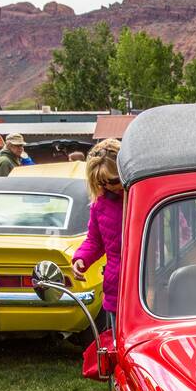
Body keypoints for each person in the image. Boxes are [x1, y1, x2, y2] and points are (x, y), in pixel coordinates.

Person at [72, 139, 122, 336]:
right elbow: (95, 240)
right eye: (101, 182)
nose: (108, 186)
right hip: (115, 289)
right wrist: (81, 259)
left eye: (113, 180)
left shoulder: (143, 198)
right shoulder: (99, 205)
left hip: (150, 287)